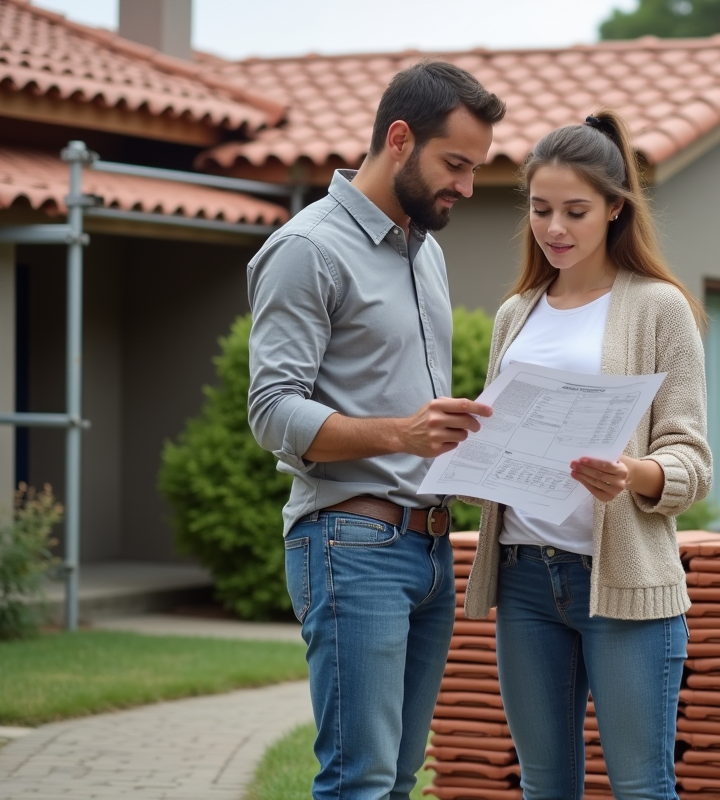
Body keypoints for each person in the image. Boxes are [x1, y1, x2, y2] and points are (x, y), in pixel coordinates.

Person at [246, 61, 505, 800]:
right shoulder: (308, 250)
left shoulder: (428, 254)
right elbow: (272, 411)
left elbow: (418, 419)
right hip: (349, 546)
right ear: (399, 139)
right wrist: (403, 432)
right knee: (358, 780)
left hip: (428, 549)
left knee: (397, 779)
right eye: (455, 163)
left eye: (475, 167)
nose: (465, 185)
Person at [464, 109, 712, 800]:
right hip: (523, 580)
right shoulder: (518, 313)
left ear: (614, 209)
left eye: (575, 211)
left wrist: (632, 473)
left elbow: (691, 461)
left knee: (640, 786)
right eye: (541, 210)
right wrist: (470, 452)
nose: (555, 228)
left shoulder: (660, 308)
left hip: (624, 584)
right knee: (544, 786)